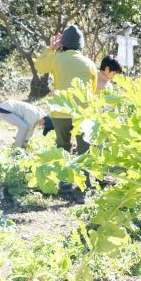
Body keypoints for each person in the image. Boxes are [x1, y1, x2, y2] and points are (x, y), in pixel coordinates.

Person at [34, 24, 97, 203]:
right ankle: (84, 184)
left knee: (63, 147)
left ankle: (65, 183)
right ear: (81, 45)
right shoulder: (89, 64)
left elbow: (39, 66)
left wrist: (51, 49)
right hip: (83, 114)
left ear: (63, 44)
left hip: (60, 112)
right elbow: (92, 91)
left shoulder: (57, 59)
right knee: (84, 149)